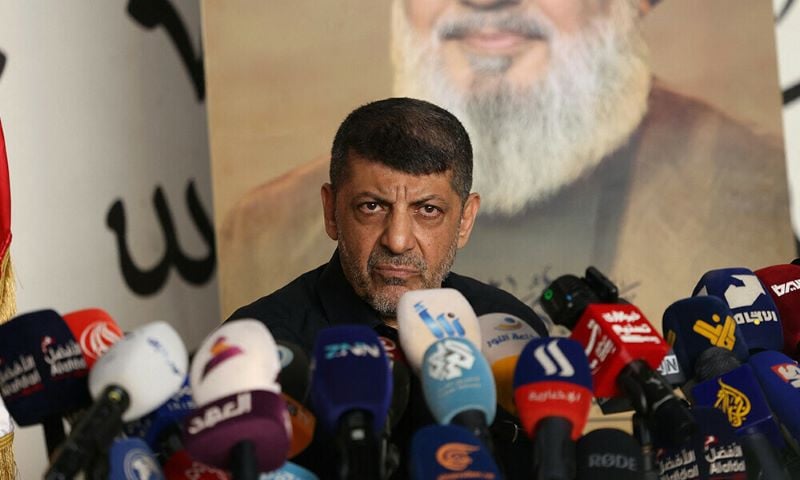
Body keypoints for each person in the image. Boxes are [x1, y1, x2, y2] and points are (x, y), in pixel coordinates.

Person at [219, 0, 792, 327]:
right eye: (370, 206)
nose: (486, 2)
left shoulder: (764, 187)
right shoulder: (263, 242)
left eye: (428, 209)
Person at [227, 97, 546, 478]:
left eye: (427, 210)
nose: (397, 240)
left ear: (465, 220)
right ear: (331, 211)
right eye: (372, 207)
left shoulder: (509, 328)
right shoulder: (260, 343)